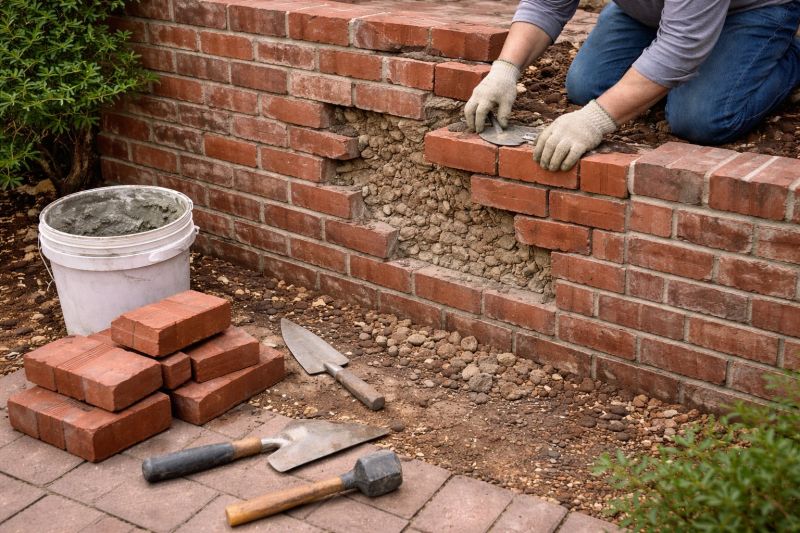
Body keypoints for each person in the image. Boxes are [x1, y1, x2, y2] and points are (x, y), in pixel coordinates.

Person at [465, 0, 800, 172]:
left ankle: (787, 56)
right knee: (587, 86)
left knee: (698, 117)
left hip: (751, 10)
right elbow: (547, 5)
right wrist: (505, 70)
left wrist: (594, 120)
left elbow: (682, 46)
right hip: (654, 12)